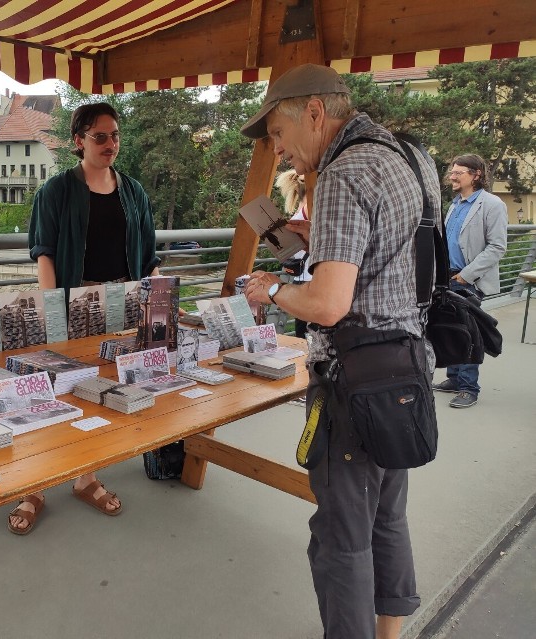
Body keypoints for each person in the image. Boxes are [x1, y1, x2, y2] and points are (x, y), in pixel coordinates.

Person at [240, 63, 441, 639]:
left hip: (354, 382)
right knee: (387, 517)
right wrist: (318, 240)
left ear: (314, 113)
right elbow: (397, 252)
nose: (278, 151)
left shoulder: (341, 175)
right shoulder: (406, 155)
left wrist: (274, 289)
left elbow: (328, 304)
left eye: (278, 134)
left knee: (343, 537)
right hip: (406, 366)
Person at [22, 101, 160, 535]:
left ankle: (86, 476)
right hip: (70, 305)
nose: (110, 144)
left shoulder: (133, 191)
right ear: (78, 141)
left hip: (122, 306)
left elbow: (149, 257)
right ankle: (35, 484)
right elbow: (43, 253)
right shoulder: (56, 191)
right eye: (100, 136)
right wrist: (51, 312)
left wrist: (158, 298)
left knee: (103, 391)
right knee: (54, 393)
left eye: (115, 135)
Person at [431, 154, 507, 408]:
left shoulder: (492, 204)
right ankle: (454, 378)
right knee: (451, 327)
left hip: (468, 278)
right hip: (447, 276)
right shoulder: (455, 204)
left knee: (468, 332)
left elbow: (497, 247)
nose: (452, 176)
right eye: (451, 172)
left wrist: (467, 274)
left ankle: (468, 388)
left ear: (476, 175)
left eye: (458, 172)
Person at [275, 169, 312, 339]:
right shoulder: (309, 210)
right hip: (307, 279)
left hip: (306, 281)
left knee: (304, 335)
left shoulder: (303, 211)